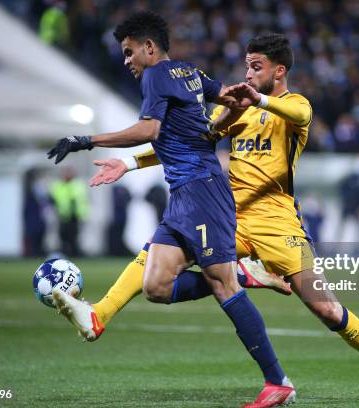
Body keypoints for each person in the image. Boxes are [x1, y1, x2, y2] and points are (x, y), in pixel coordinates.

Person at [89, 33, 359, 404]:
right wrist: (129, 163)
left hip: (282, 224)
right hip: (230, 217)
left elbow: (301, 114)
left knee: (325, 306)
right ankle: (102, 313)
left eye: (255, 66)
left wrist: (259, 99)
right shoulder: (234, 111)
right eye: (246, 66)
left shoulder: (294, 106)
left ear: (279, 70)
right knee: (158, 264)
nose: (247, 73)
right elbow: (188, 141)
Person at [46, 12, 295, 408]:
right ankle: (243, 274)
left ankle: (277, 380)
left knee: (221, 285)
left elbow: (150, 130)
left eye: (129, 52)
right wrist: (222, 112)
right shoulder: (188, 72)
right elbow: (226, 96)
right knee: (156, 287)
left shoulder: (156, 75)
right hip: (184, 194)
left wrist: (86, 140)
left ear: (149, 47)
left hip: (202, 191)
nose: (126, 61)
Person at [49, 167, 89, 257]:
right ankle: (65, 254)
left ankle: (74, 254)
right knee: (63, 236)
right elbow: (53, 198)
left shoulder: (77, 184)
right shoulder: (58, 185)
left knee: (73, 236)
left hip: (75, 216)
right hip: (62, 215)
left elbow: (79, 200)